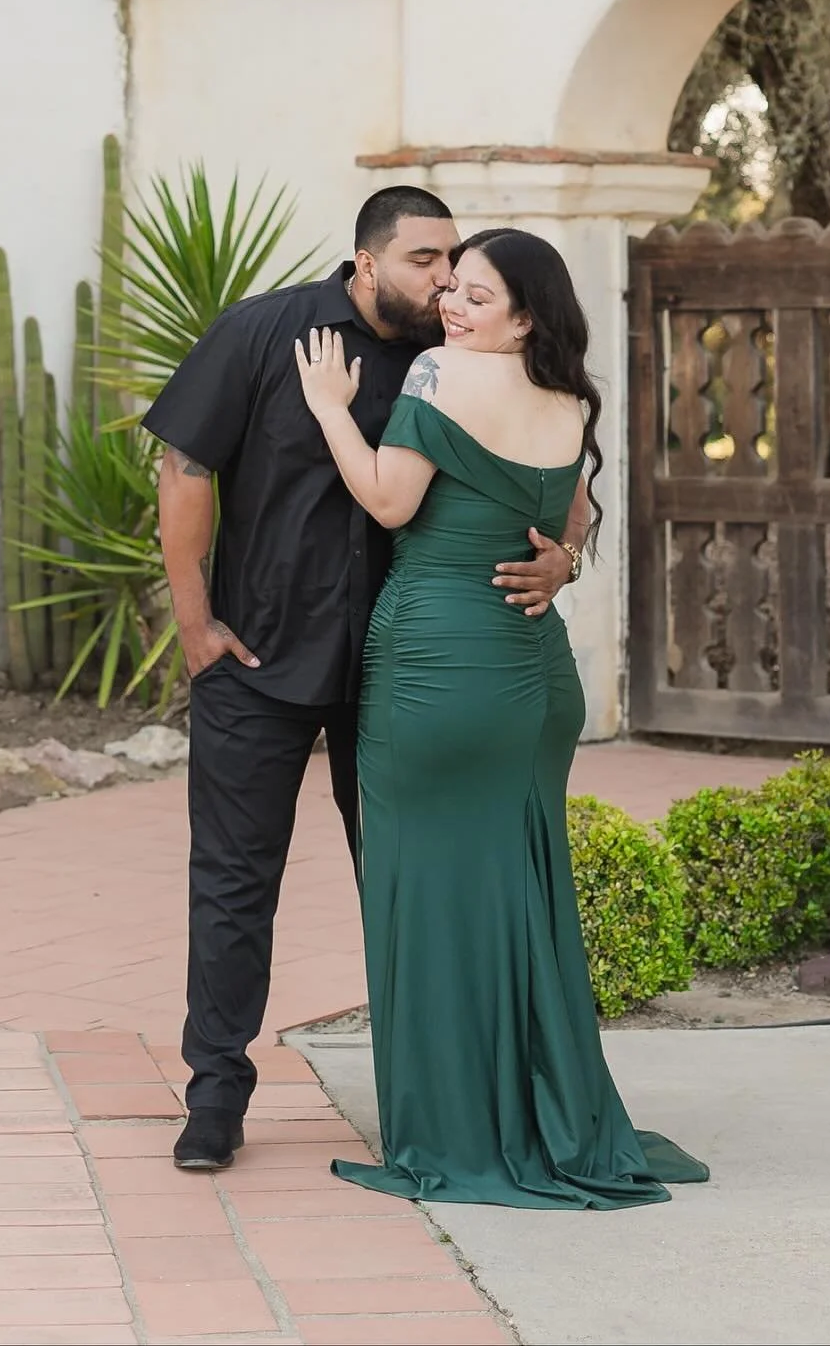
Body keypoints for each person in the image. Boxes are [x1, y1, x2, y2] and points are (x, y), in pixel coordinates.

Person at [144, 189, 586, 1174]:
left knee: (402, 884)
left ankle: (431, 1101)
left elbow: (554, 471)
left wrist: (565, 559)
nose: (444, 281)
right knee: (231, 882)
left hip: (400, 676)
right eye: (426, 260)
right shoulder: (267, 332)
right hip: (258, 660)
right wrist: (192, 616)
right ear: (365, 260)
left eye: (455, 264)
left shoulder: (461, 357)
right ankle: (215, 1089)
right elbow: (182, 463)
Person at [294, 226, 710, 1209]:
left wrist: (329, 411)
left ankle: (456, 1127)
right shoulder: (565, 398)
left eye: (478, 295)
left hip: (434, 669)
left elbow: (391, 503)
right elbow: (567, 529)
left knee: (425, 898)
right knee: (522, 900)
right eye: (453, 289)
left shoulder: (438, 375)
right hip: (530, 677)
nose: (452, 306)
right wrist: (562, 566)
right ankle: (541, 1104)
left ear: (524, 314)